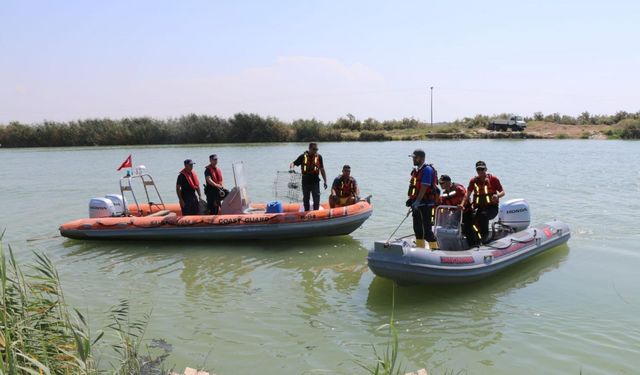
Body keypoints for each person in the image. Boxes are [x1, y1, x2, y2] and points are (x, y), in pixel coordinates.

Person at [460, 160, 505, 246]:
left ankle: (485, 237)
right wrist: (462, 205)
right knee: (469, 221)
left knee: (483, 216)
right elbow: (467, 194)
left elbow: (502, 192)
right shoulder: (473, 181)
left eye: (482, 169)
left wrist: (497, 196)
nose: (480, 171)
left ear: (486, 169)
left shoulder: (493, 179)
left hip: (492, 208)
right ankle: (474, 241)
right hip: (479, 208)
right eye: (478, 169)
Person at [406, 149, 439, 249]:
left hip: (425, 204)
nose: (413, 159)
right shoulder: (417, 171)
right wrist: (411, 200)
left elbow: (424, 186)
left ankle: (435, 249)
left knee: (427, 230)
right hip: (417, 204)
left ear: (422, 158)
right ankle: (420, 248)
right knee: (417, 229)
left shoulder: (427, 170)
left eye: (415, 157)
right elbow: (415, 187)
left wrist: (418, 201)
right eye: (413, 158)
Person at [290, 142, 327, 211]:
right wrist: (292, 168)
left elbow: (322, 169)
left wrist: (325, 181)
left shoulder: (319, 157)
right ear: (309, 149)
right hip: (305, 182)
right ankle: (306, 212)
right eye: (314, 149)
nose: (316, 151)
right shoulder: (303, 157)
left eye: (317, 149)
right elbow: (293, 163)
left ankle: (316, 212)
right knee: (306, 198)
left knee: (316, 198)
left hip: (315, 181)